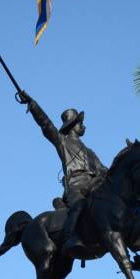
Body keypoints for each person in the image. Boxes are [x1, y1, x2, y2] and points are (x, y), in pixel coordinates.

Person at [17, 91, 107, 257]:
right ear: (74, 125)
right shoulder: (62, 142)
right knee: (80, 205)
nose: (84, 126)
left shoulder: (90, 152)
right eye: (81, 123)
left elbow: (104, 171)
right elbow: (46, 124)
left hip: (94, 185)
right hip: (76, 186)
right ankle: (71, 238)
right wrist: (33, 104)